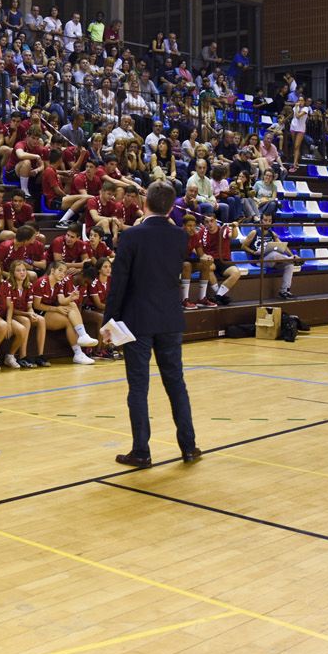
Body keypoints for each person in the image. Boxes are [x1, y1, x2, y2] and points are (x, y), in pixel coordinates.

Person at [99, 179, 199, 467]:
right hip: (169, 318)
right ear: (171, 206)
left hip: (137, 321)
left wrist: (108, 322)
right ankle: (189, 446)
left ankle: (141, 451)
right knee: (176, 384)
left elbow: (118, 285)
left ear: (145, 203)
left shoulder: (131, 237)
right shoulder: (180, 237)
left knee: (138, 387)